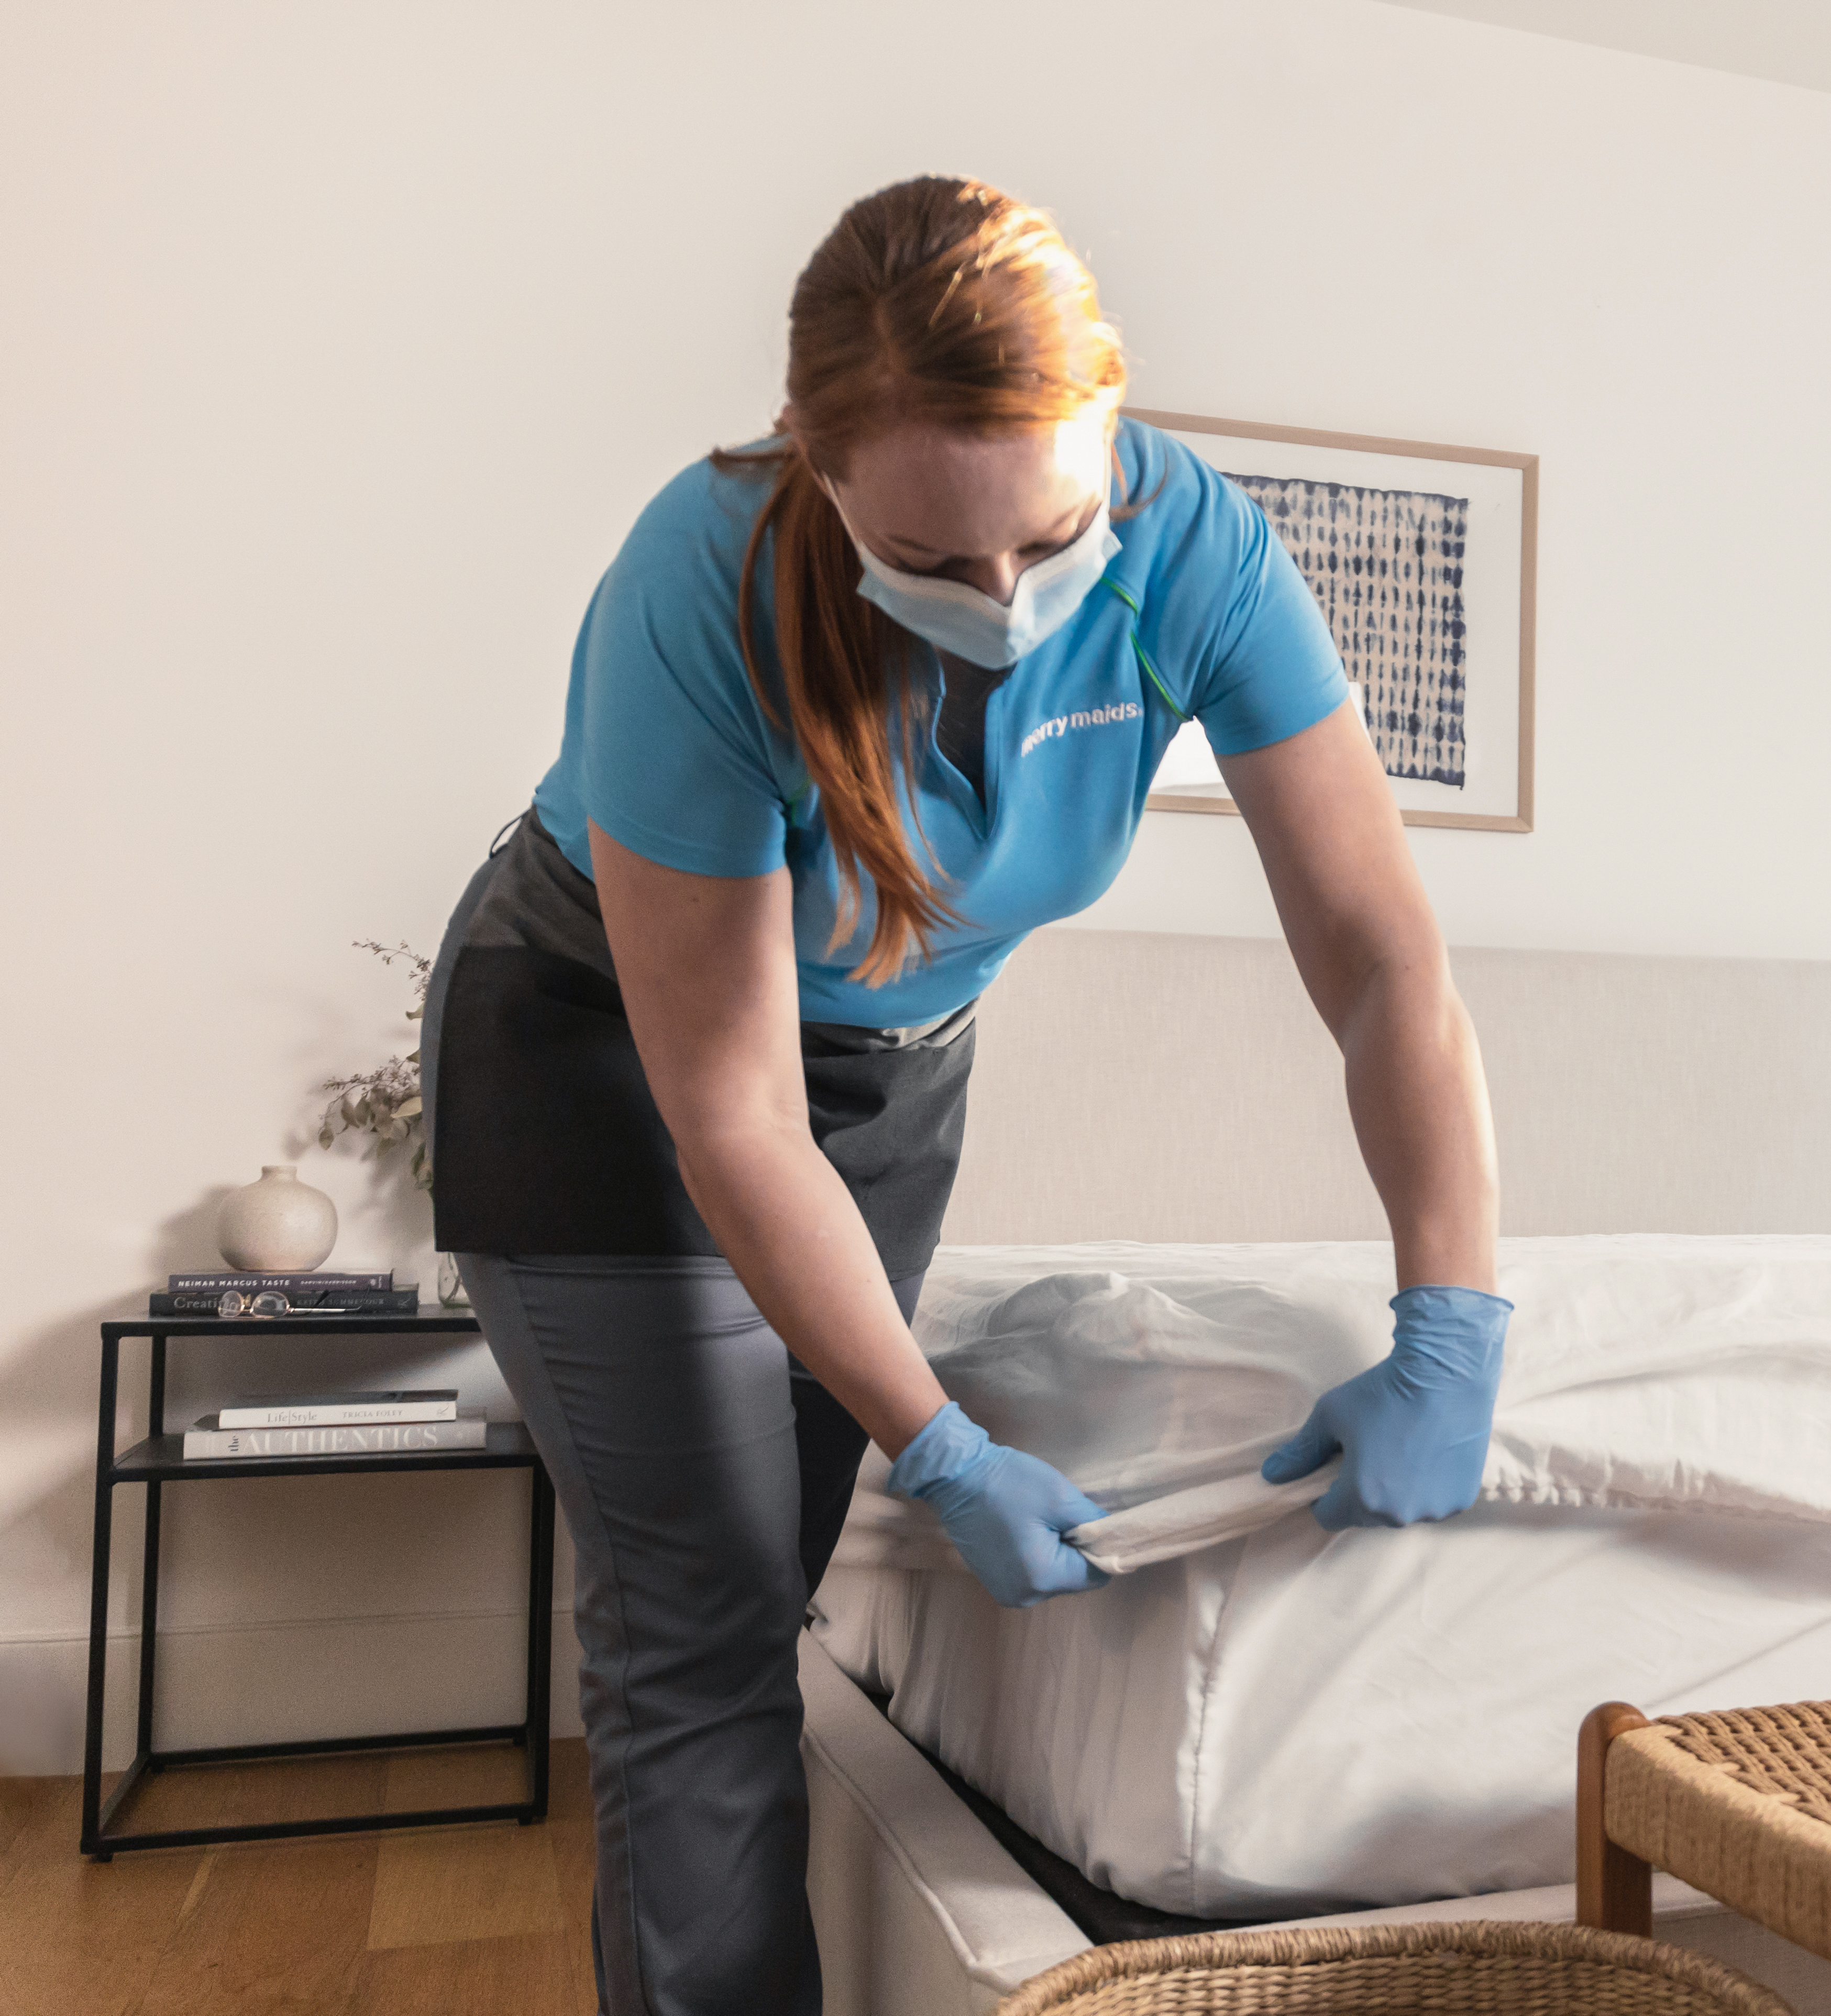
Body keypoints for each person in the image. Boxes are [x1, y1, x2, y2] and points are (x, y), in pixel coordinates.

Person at [418, 175, 1509, 2016]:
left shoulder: (1195, 544)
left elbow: (1382, 956)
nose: (1002, 601)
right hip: (601, 1056)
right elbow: (735, 1110)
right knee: (696, 1633)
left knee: (768, 1594)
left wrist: (1455, 1307)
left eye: (1049, 537)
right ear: (815, 466)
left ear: (1107, 436)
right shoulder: (702, 583)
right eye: (932, 560)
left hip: (895, 1078)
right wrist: (935, 1438)